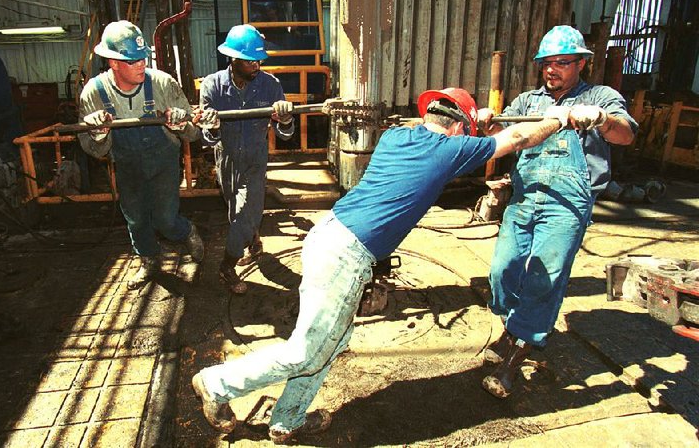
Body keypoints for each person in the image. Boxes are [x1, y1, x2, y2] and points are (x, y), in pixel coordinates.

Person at [192, 87, 573, 443]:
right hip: (346, 253)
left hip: (328, 235)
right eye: (466, 131)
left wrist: (478, 122)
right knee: (305, 351)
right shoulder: (448, 151)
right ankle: (217, 383)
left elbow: (445, 130)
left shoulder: (397, 137)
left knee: (332, 342)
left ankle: (286, 419)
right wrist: (561, 118)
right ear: (459, 128)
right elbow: (519, 139)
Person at [477, 25, 638, 399]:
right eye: (547, 63)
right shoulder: (528, 103)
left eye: (563, 62)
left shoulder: (600, 96)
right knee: (503, 271)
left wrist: (600, 118)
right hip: (524, 197)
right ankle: (514, 326)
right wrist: (485, 119)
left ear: (582, 63)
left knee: (543, 278)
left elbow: (627, 133)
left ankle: (515, 358)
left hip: (566, 205)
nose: (553, 70)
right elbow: (499, 135)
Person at [78, 20, 216, 290]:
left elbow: (193, 133)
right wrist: (98, 133)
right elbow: (96, 151)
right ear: (113, 63)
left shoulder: (163, 84)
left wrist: (181, 125)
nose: (142, 64)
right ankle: (149, 261)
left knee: (165, 219)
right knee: (136, 218)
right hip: (127, 164)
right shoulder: (94, 93)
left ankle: (186, 231)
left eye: (143, 57)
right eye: (133, 60)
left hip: (163, 160)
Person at [199, 24, 295, 294]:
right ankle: (252, 238)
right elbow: (207, 140)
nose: (257, 65)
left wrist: (285, 119)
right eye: (250, 61)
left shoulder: (270, 85)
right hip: (226, 160)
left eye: (259, 60)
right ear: (234, 58)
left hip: (255, 158)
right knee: (236, 213)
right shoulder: (212, 86)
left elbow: (285, 134)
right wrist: (212, 127)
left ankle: (227, 267)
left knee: (246, 212)